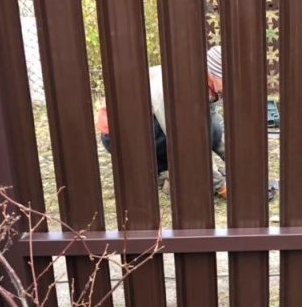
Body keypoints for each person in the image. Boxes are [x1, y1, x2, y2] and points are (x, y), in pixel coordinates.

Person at [96, 46, 225, 195]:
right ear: (212, 73)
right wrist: (220, 185)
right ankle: (156, 173)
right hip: (119, 138)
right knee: (195, 132)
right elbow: (184, 139)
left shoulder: (208, 86)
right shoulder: (173, 84)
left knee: (213, 127)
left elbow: (215, 130)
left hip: (152, 129)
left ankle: (179, 175)